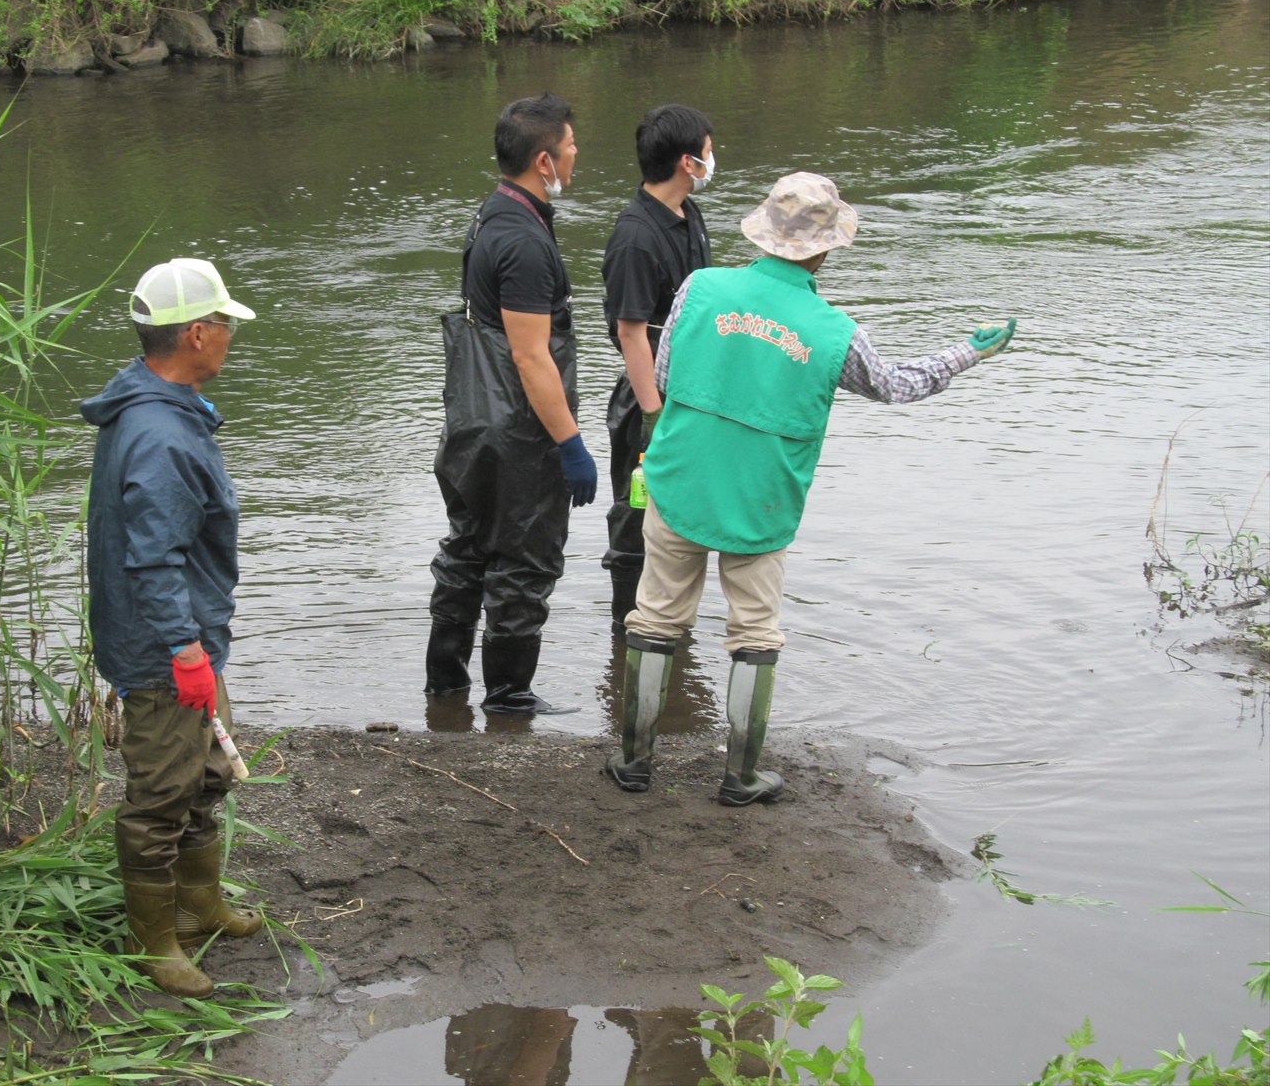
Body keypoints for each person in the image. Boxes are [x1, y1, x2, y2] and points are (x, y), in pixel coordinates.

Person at [606, 173, 1017, 803]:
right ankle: (740, 776)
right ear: (825, 249)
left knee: (656, 615)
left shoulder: (699, 289)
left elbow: (664, 376)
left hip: (680, 477)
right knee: (755, 632)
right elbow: (898, 386)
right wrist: (968, 352)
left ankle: (634, 763)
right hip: (761, 496)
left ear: (764, 230)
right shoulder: (835, 332)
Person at [81, 257, 265, 998]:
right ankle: (154, 944)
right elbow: (153, 559)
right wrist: (185, 650)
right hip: (166, 647)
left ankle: (200, 906)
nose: (229, 337)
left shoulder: (163, 405)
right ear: (195, 334)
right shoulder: (161, 436)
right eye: (224, 324)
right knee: (160, 796)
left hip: (185, 638)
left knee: (207, 772)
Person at [425, 93, 597, 717]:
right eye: (572, 147)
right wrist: (571, 444)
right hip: (518, 431)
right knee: (524, 557)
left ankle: (445, 688)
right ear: (544, 160)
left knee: (468, 546)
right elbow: (529, 356)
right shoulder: (524, 240)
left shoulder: (492, 214)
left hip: (472, 421)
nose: (579, 155)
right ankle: (508, 697)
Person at [600, 104, 715, 634]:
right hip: (648, 400)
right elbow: (630, 333)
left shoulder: (688, 216)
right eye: (709, 150)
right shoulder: (636, 237)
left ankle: (671, 635)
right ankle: (630, 646)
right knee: (636, 519)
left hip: (688, 392)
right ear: (688, 162)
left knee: (684, 520)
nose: (715, 159)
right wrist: (652, 413)